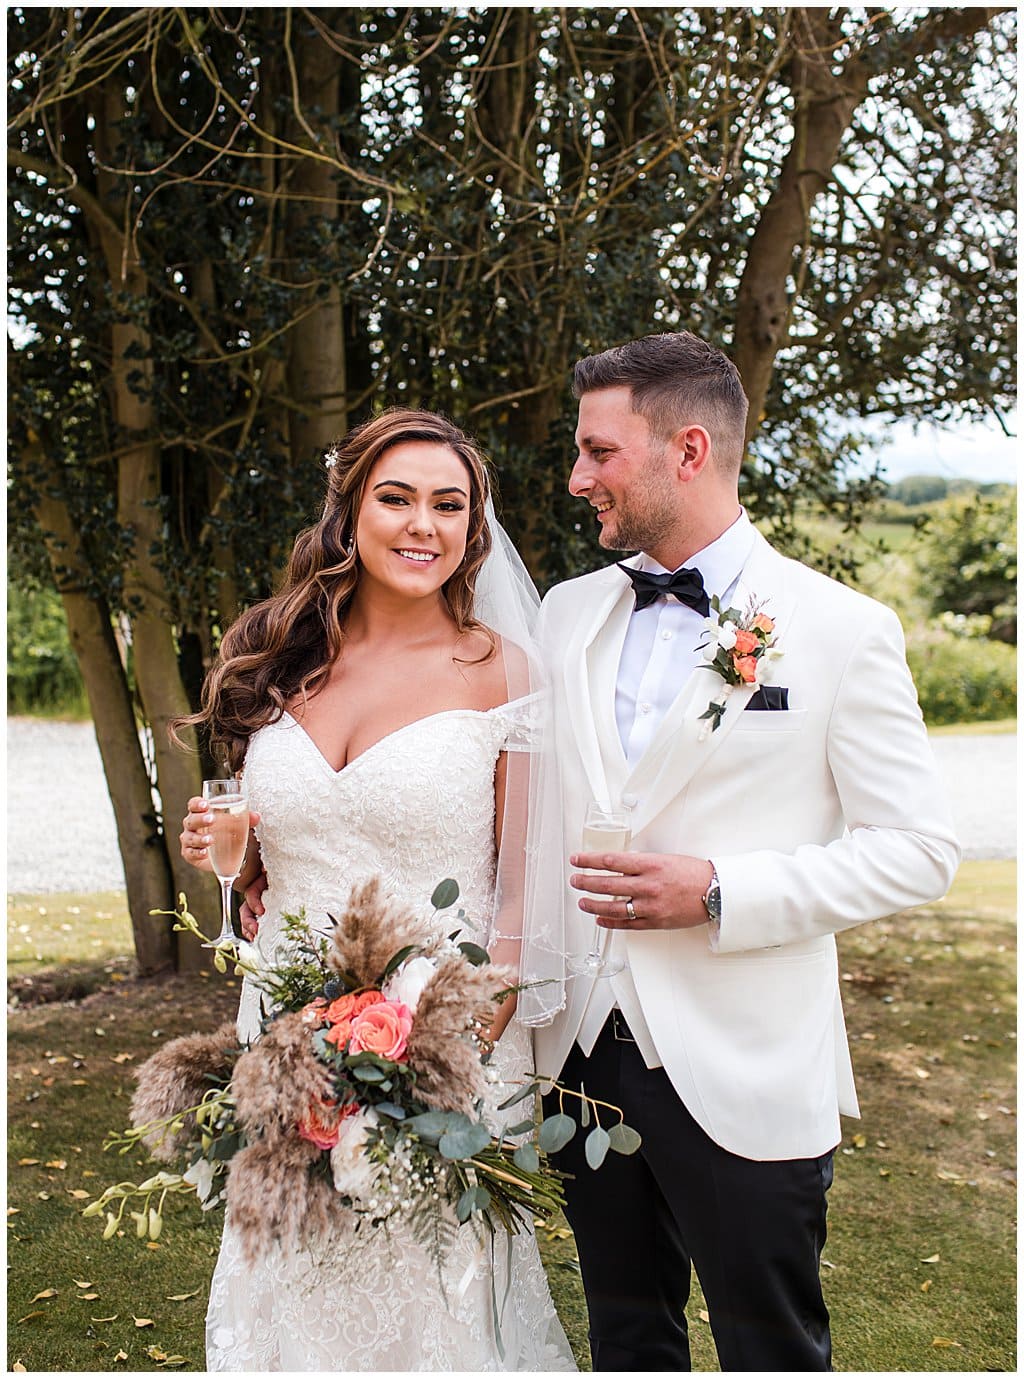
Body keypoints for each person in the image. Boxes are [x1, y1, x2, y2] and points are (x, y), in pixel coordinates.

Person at [531, 331, 961, 1372]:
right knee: (627, 1333)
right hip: (580, 1056)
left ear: (686, 450)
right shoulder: (565, 611)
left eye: (598, 451)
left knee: (771, 1346)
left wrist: (720, 889)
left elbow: (921, 848)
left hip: (749, 1064)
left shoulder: (840, 628)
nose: (576, 476)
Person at [177, 408, 575, 1373]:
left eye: (449, 504)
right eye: (395, 498)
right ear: (348, 511)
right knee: (291, 1276)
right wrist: (232, 857)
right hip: (282, 1030)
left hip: (444, 1040)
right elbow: (271, 848)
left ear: (473, 528)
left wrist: (447, 1045)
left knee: (430, 1300)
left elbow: (524, 892)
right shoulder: (278, 655)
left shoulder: (504, 673)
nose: (421, 525)